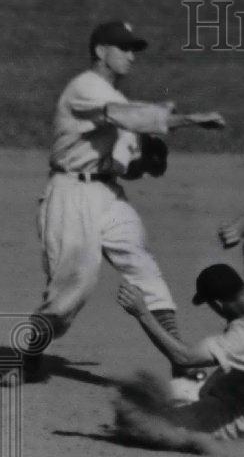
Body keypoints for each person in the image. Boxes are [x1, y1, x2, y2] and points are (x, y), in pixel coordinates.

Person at [21, 20, 224, 382]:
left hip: (107, 194)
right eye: (124, 48)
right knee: (72, 287)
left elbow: (125, 166)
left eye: (135, 50)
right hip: (70, 195)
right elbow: (129, 117)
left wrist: (146, 163)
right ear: (101, 51)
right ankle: (30, 355)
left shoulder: (115, 100)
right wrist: (189, 119)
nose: (132, 56)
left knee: (143, 268)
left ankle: (181, 361)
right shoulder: (84, 88)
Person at [112, 214, 244, 450]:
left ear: (218, 303)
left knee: (146, 426)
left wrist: (142, 313)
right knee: (186, 392)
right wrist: (239, 228)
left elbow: (183, 358)